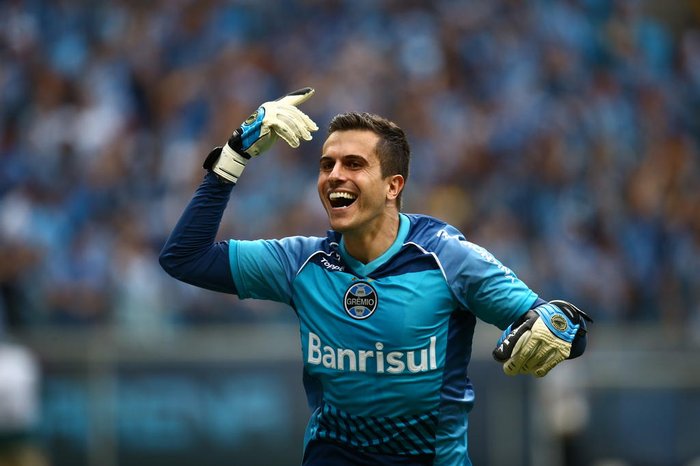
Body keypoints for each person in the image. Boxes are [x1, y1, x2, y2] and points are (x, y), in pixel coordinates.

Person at [159, 87, 592, 466]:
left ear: (392, 186)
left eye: (353, 164)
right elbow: (184, 257)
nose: (335, 176)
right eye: (327, 164)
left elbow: (558, 325)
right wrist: (233, 156)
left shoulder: (447, 258)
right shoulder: (301, 263)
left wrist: (558, 326)